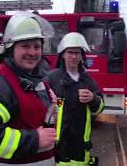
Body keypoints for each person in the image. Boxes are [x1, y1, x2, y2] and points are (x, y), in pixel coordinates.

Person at [0, 11, 57, 165]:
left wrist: (58, 106)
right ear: (11, 48)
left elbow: (44, 114)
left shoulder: (38, 79)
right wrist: (34, 139)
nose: (32, 52)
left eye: (37, 46)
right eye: (25, 46)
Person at [44, 32, 104, 165]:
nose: (74, 56)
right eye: (70, 52)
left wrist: (93, 99)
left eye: (77, 53)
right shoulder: (52, 78)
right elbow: (41, 107)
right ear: (63, 54)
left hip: (80, 145)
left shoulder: (88, 80)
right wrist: (52, 105)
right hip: (57, 145)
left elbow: (99, 108)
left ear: (82, 56)